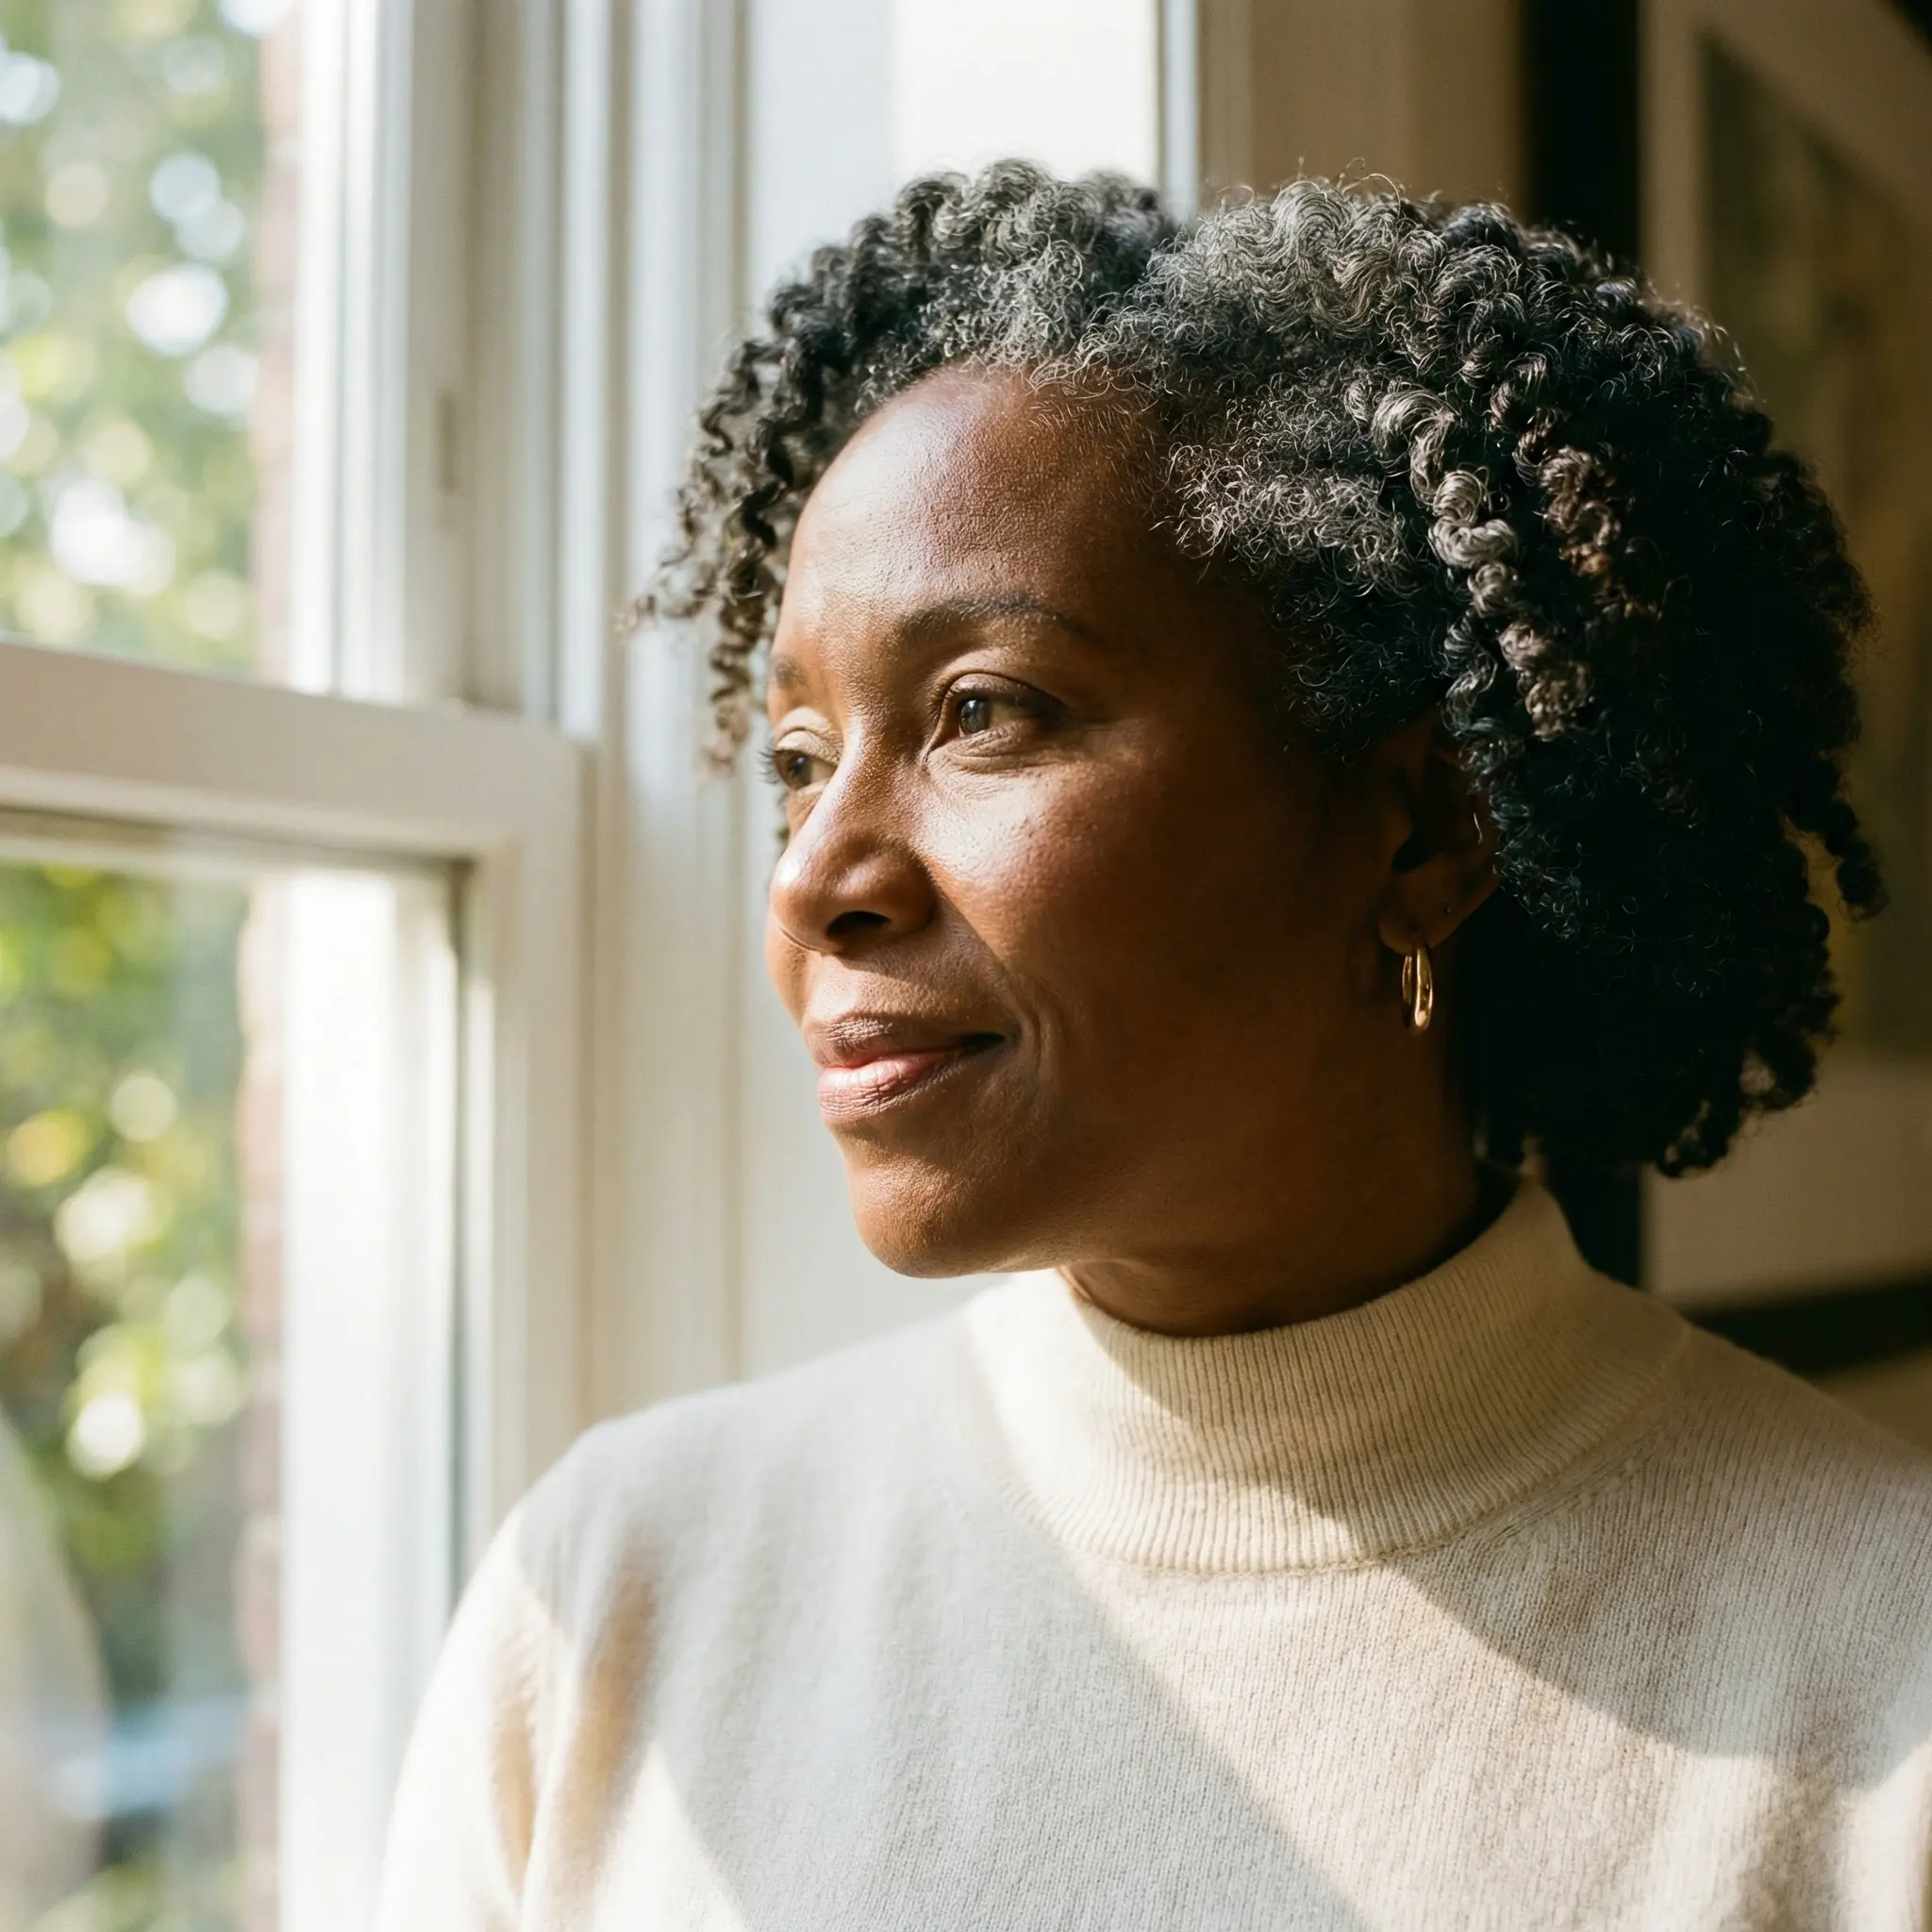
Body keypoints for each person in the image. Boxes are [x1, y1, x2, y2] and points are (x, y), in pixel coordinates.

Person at [377, 167, 1932, 1928]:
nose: (816, 877)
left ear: (1417, 830)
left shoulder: (1880, 1684)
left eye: (981, 714)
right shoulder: (619, 1592)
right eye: (800, 760)